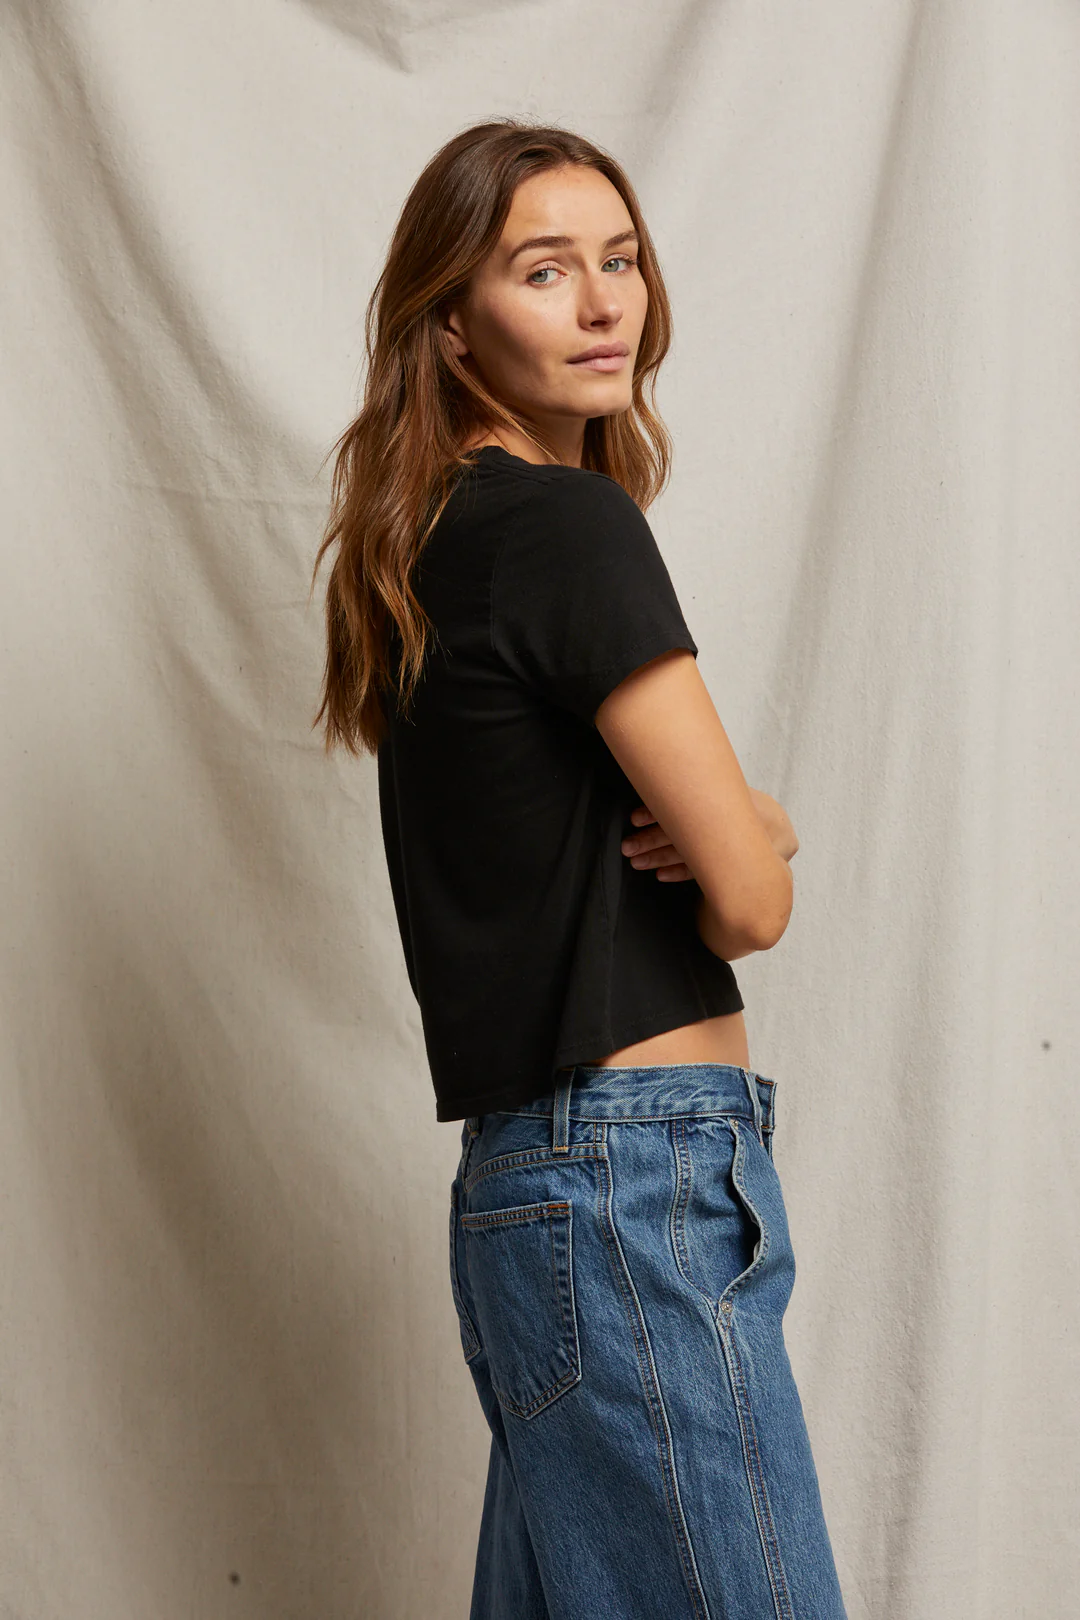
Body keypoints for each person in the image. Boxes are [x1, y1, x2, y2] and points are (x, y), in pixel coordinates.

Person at [312, 119, 848, 1620]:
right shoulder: (567, 525)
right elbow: (748, 903)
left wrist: (747, 822)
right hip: (635, 1179)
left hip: (536, 1184)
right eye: (545, 271)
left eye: (621, 260)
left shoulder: (433, 542)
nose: (605, 303)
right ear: (452, 321)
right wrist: (762, 828)